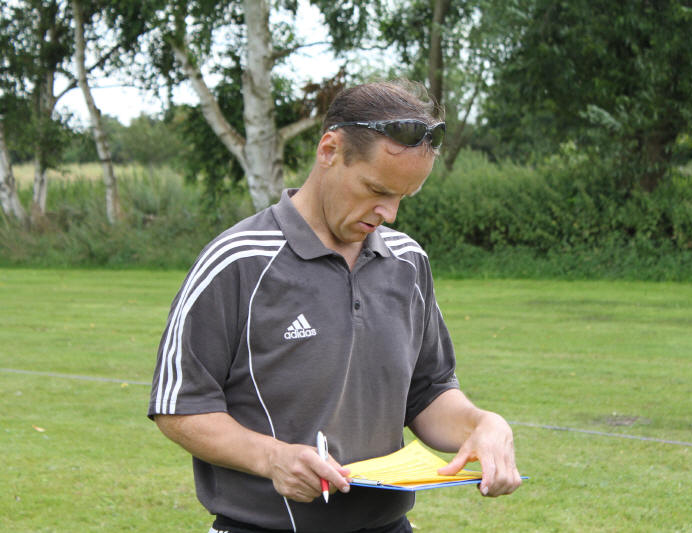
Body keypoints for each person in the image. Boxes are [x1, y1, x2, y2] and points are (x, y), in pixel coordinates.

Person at [148, 79, 521, 533]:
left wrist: (480, 425)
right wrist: (272, 458)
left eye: (403, 197)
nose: (389, 213)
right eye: (376, 189)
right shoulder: (237, 262)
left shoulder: (408, 262)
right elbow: (180, 405)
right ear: (330, 150)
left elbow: (428, 393)